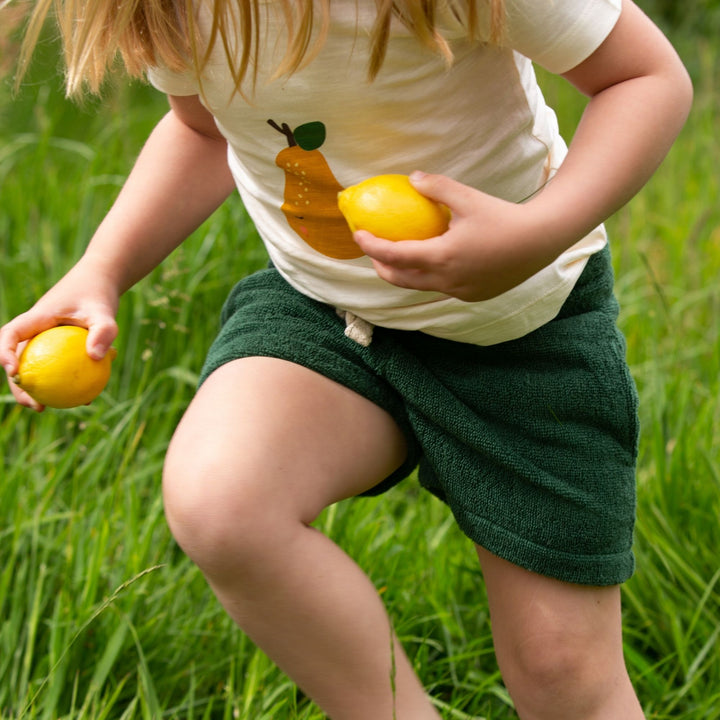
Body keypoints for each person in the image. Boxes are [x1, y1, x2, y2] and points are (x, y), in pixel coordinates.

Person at [1, 0, 692, 717]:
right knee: (223, 502)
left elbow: (645, 78)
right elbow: (203, 133)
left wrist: (533, 235)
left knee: (563, 676)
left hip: (523, 328)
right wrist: (101, 270)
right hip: (329, 312)